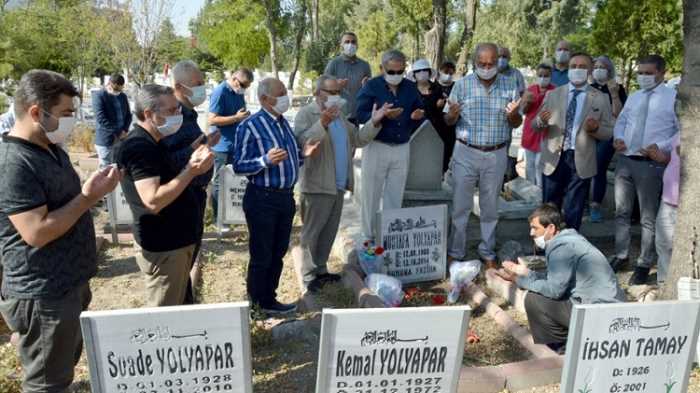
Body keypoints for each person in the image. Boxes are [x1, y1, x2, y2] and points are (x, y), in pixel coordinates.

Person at [0, 69, 121, 392]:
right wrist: (87, 197)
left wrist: (90, 191)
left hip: (68, 285)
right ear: (36, 112)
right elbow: (36, 232)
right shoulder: (14, 163)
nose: (71, 121)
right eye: (66, 113)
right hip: (43, 294)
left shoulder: (51, 148)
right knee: (46, 384)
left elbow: (65, 203)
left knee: (61, 371)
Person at [116, 84, 214, 307]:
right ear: (149, 114)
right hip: (165, 246)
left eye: (178, 109)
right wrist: (191, 170)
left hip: (176, 243)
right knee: (165, 323)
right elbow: (153, 200)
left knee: (180, 306)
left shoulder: (154, 142)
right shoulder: (139, 146)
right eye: (171, 111)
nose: (178, 115)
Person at [233, 77, 320, 314]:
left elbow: (288, 159)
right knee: (262, 253)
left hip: (284, 198)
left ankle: (269, 298)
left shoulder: (283, 123)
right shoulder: (249, 126)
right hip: (262, 198)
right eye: (280, 93)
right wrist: (264, 161)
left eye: (284, 92)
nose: (285, 97)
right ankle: (257, 304)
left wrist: (304, 154)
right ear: (264, 99)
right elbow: (239, 165)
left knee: (278, 251)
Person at [293, 75, 384, 292]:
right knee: (312, 233)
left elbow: (358, 139)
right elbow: (301, 141)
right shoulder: (307, 114)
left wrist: (375, 121)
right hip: (317, 185)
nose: (335, 97)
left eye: (337, 93)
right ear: (318, 93)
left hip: (338, 185)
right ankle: (307, 276)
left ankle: (321, 270)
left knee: (329, 230)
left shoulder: (340, 116)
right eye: (330, 92)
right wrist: (322, 122)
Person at [497, 204, 624, 353]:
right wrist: (527, 273)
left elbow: (554, 291)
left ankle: (561, 348)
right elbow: (557, 280)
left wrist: (518, 281)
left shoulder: (560, 248)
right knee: (539, 293)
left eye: (535, 228)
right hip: (609, 308)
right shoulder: (570, 240)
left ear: (550, 228)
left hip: (598, 314)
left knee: (534, 300)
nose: (531, 233)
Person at [443, 43, 522, 268]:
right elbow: (448, 120)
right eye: (482, 64)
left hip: (496, 153)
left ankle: (487, 252)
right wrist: (453, 115)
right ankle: (456, 251)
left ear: (498, 62)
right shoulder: (462, 85)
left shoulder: (509, 85)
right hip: (465, 151)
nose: (487, 68)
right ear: (474, 63)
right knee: (460, 205)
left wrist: (514, 115)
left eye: (491, 64)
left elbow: (516, 122)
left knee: (490, 207)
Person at [611, 55, 679, 285]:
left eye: (648, 73)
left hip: (650, 164)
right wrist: (619, 138)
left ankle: (643, 262)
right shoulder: (635, 95)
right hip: (625, 159)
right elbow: (622, 121)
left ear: (662, 73)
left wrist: (660, 147)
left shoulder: (673, 98)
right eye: (640, 72)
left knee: (648, 217)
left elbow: (679, 132)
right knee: (621, 211)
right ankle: (621, 255)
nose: (643, 77)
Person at [533, 52, 614, 231]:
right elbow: (535, 125)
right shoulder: (554, 94)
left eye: (583, 67)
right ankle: (546, 249)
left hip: (581, 160)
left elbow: (609, 132)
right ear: (568, 70)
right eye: (573, 67)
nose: (577, 70)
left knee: (574, 209)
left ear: (590, 70)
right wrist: (541, 121)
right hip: (554, 157)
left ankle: (569, 249)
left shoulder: (600, 97)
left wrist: (595, 129)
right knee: (549, 209)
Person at [161, 60, 220, 303]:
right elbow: (165, 162)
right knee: (177, 272)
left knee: (187, 264)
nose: (202, 88)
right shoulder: (171, 119)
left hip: (194, 199)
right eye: (197, 84)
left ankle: (186, 304)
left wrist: (205, 143)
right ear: (179, 86)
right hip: (181, 202)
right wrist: (195, 150)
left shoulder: (189, 116)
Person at [355, 49, 425, 241]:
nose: (396, 76)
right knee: (371, 194)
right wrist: (380, 116)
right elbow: (359, 113)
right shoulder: (371, 86)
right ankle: (368, 237)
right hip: (377, 145)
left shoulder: (410, 87)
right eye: (391, 72)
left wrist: (416, 116)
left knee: (395, 194)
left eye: (400, 72)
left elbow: (419, 111)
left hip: (402, 146)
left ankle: (390, 236)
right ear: (382, 68)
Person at [209, 68, 254, 221]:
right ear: (235, 79)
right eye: (243, 85)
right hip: (220, 145)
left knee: (234, 181)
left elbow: (240, 114)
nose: (244, 89)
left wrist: (244, 117)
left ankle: (232, 215)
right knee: (218, 182)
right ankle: (218, 218)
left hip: (235, 144)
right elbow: (212, 119)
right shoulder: (220, 92)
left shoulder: (238, 93)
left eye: (247, 86)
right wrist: (235, 118)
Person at [588, 55, 628, 223]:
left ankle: (595, 205)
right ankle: (584, 202)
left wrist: (614, 94)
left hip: (608, 133)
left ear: (609, 70)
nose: (599, 69)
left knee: (599, 167)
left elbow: (618, 114)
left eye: (602, 67)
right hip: (589, 133)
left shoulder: (617, 88)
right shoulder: (588, 88)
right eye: (596, 66)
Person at [412, 58, 451, 171]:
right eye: (418, 71)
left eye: (424, 70)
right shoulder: (410, 89)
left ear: (429, 72)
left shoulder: (437, 88)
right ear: (414, 74)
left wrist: (441, 105)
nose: (422, 73)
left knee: (433, 159)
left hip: (436, 130)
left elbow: (444, 109)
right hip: (415, 130)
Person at [324, 32, 372, 124]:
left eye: (353, 42)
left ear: (357, 45)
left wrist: (367, 86)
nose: (350, 44)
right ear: (341, 45)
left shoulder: (364, 65)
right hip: (337, 115)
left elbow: (369, 90)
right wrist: (337, 86)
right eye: (347, 42)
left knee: (354, 138)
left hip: (356, 115)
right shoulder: (334, 63)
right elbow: (323, 88)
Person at [521, 63, 556, 187]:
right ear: (537, 75)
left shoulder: (555, 91)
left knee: (540, 164)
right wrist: (527, 103)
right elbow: (523, 111)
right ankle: (529, 189)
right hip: (530, 132)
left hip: (546, 133)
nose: (543, 78)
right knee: (530, 164)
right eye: (540, 75)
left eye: (546, 76)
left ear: (551, 76)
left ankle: (540, 191)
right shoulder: (530, 90)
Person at [653, 133, 680, 286]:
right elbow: (668, 144)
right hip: (668, 199)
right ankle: (663, 284)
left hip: (686, 205)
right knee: (663, 244)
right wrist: (655, 148)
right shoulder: (684, 129)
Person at [92, 73, 132, 168]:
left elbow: (128, 115)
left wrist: (125, 130)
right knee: (106, 170)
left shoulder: (122, 96)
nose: (117, 91)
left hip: (122, 138)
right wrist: (118, 132)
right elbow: (101, 118)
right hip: (106, 140)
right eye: (116, 89)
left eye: (120, 89)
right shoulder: (99, 96)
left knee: (120, 169)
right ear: (109, 83)